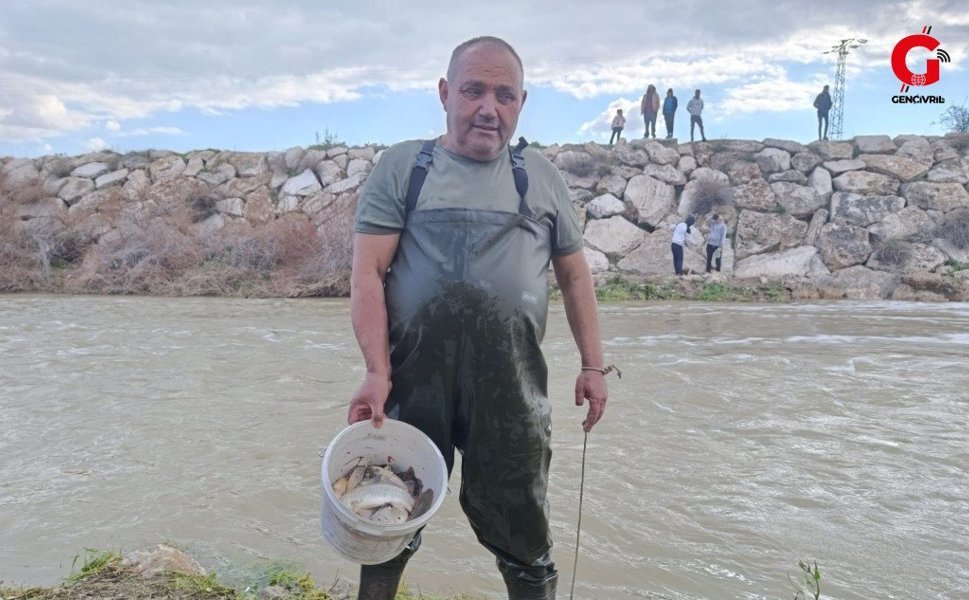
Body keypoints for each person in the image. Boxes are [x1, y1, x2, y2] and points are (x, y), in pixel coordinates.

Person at [348, 36, 608, 600]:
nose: (489, 107)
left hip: (510, 390)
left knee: (523, 529)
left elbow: (575, 277)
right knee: (387, 514)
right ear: (445, 93)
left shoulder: (539, 175)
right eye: (473, 90)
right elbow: (367, 274)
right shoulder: (404, 168)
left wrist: (594, 367)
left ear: (521, 104)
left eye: (504, 95)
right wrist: (376, 372)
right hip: (414, 385)